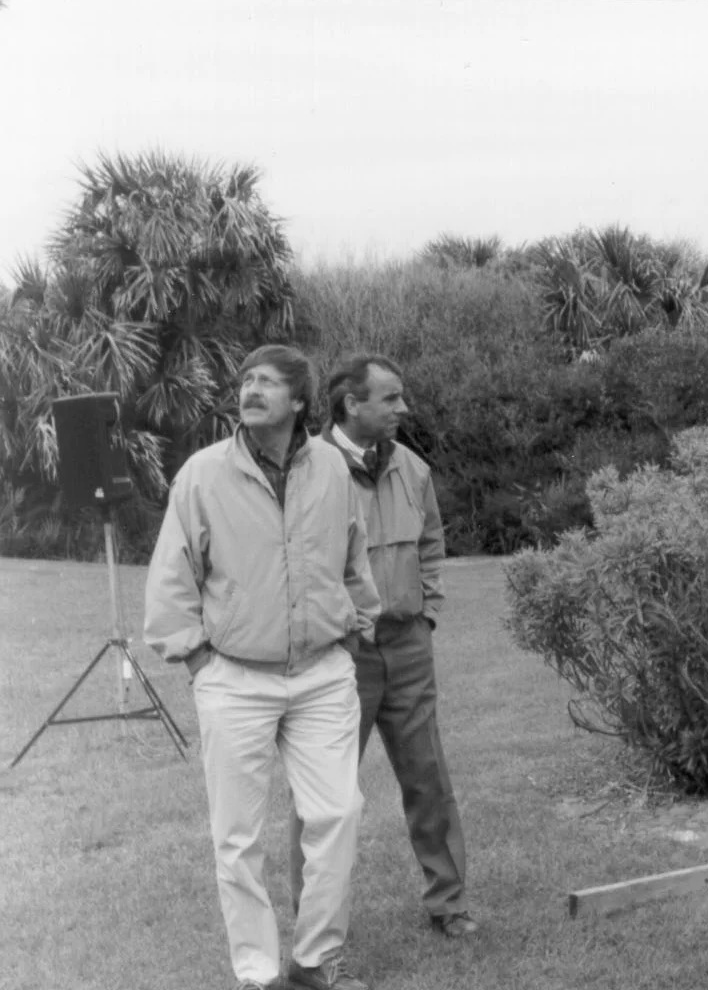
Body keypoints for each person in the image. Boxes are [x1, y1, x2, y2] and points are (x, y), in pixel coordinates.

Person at [144, 345, 380, 990]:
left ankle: (315, 961)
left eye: (269, 382)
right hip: (234, 679)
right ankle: (256, 974)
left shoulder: (331, 468)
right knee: (238, 838)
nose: (251, 390)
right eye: (247, 380)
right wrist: (197, 659)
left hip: (323, 674)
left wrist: (356, 627)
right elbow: (172, 574)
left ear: (300, 401)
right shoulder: (202, 474)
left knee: (338, 813)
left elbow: (354, 555)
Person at [288, 353, 477, 939]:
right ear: (351, 403)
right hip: (341, 654)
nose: (403, 408)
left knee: (428, 779)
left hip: (409, 645)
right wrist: (335, 634)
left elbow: (431, 543)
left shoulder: (412, 468)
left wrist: (428, 614)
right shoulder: (304, 470)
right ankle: (315, 924)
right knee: (324, 794)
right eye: (390, 398)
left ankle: (449, 903)